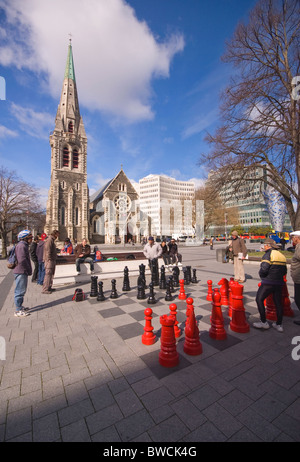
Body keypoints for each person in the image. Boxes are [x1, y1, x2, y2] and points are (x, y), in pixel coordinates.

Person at [253, 238, 287, 333]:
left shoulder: (268, 254)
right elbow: (284, 271)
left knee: (259, 299)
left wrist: (262, 276)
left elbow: (264, 269)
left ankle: (263, 322)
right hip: (279, 282)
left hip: (268, 282)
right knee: (278, 303)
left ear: (268, 245)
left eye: (264, 245)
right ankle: (279, 324)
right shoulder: (281, 255)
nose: (263, 247)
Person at [13, 229, 33, 317]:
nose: (31, 239)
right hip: (21, 271)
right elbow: (22, 260)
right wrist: (28, 269)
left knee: (21, 290)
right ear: (25, 238)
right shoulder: (22, 246)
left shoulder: (22, 245)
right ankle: (18, 310)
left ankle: (20, 306)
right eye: (30, 237)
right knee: (20, 290)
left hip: (21, 270)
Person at [42, 229, 59, 294]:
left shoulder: (51, 240)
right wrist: (48, 259)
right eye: (57, 235)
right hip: (49, 260)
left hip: (52, 259)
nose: (57, 236)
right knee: (48, 274)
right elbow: (48, 250)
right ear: (55, 234)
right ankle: (45, 289)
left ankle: (49, 287)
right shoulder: (49, 240)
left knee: (51, 275)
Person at [290, 231, 300, 326]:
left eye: (293, 237)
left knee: (298, 298)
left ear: (297, 238)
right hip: (297, 277)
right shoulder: (298, 247)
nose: (292, 239)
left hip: (299, 277)